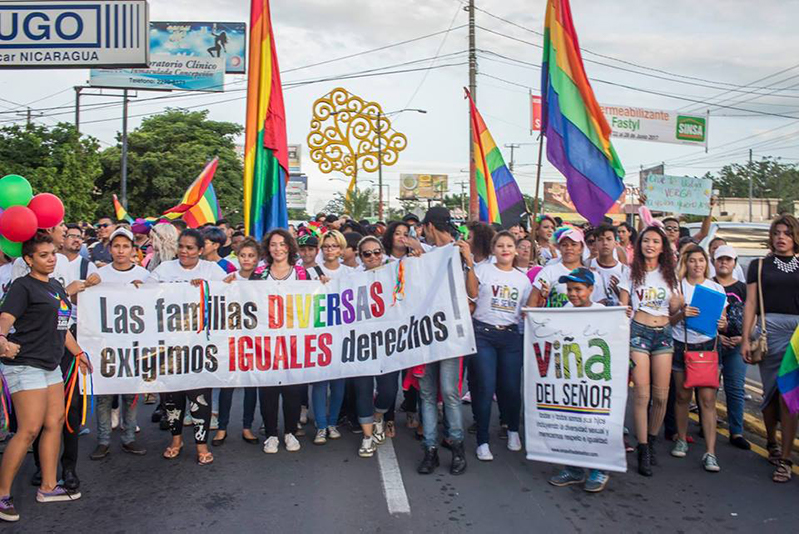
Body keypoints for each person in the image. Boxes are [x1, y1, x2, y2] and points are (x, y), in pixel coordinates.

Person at [0, 232, 92, 522]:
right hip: (25, 365)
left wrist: (78, 353)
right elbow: (5, 318)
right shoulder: (22, 286)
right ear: (28, 259)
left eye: (53, 253)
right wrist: (1, 337)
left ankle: (49, 487)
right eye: (43, 255)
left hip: (51, 365)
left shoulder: (55, 286)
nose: (51, 258)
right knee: (28, 429)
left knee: (54, 423)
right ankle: (2, 494)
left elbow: (62, 328)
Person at [148, 229, 228, 466]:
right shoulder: (163, 270)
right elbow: (143, 295)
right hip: (170, 347)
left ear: (201, 251)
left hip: (199, 347)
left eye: (190, 248)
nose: (184, 251)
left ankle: (201, 444)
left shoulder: (211, 270)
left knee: (199, 396)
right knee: (171, 397)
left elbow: (229, 294)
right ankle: (176, 440)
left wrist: (206, 287)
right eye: (181, 246)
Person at [463, 231, 531, 462]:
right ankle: (482, 440)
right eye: (500, 245)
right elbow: (471, 295)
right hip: (483, 334)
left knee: (511, 387)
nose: (505, 249)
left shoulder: (523, 279)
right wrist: (470, 264)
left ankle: (512, 429)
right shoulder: (482, 271)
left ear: (516, 250)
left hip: (510, 337)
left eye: (509, 245)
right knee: (484, 386)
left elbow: (526, 312)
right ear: (493, 249)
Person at [742, 215, 799, 482]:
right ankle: (771, 441)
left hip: (797, 335)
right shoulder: (759, 265)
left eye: (787, 233)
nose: (781, 237)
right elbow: (751, 303)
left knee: (790, 397)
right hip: (768, 333)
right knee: (769, 397)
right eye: (777, 232)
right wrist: (745, 338)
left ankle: (785, 460)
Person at [548, 268, 610, 492]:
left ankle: (599, 469)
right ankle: (573, 468)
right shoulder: (565, 309)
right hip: (570, 377)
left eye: (578, 289)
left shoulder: (602, 312)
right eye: (570, 290)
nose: (573, 294)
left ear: (591, 289)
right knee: (571, 421)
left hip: (594, 380)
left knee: (592, 423)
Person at [416, 207, 467, 475]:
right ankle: (430, 449)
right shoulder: (422, 252)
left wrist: (467, 259)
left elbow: (470, 291)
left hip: (449, 332)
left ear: (429, 226)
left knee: (449, 391)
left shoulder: (457, 251)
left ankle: (457, 448)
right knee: (427, 393)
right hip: (424, 332)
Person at [91, 228, 149, 460]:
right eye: (116, 246)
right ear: (110, 249)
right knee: (104, 395)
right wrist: (88, 286)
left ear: (133, 250)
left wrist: (145, 292)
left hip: (133, 345)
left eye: (125, 246)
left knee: (130, 394)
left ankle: (129, 438)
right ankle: (103, 440)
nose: (120, 251)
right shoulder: (99, 274)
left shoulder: (144, 276)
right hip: (106, 345)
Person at [669, 245, 727, 472]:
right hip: (681, 346)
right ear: (686, 263)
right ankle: (681, 438)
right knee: (682, 397)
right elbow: (669, 321)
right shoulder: (677, 288)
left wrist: (724, 324)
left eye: (701, 260)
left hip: (707, 349)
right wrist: (682, 313)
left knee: (707, 401)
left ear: (707, 263)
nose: (697, 265)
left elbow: (723, 322)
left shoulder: (715, 288)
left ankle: (710, 452)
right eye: (692, 260)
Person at [628, 225, 680, 476]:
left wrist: (681, 309)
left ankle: (652, 438)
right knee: (642, 394)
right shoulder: (630, 273)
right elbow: (622, 306)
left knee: (661, 395)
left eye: (655, 241)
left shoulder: (670, 276)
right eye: (646, 240)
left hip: (664, 335)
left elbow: (675, 315)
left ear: (663, 247)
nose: (650, 245)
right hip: (638, 332)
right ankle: (643, 447)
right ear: (639, 245)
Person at [251, 229, 309, 454]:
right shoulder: (260, 274)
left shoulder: (302, 274)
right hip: (266, 342)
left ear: (289, 247)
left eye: (282, 244)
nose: (278, 249)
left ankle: (291, 432)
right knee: (268, 391)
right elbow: (249, 300)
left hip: (294, 342)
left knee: (293, 390)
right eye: (273, 245)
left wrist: (324, 283)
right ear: (268, 248)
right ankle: (272, 434)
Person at [214, 238, 260, 446]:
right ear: (237, 256)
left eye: (251, 256)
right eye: (243, 255)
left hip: (254, 340)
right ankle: (222, 427)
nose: (247, 259)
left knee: (251, 385)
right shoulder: (228, 279)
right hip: (231, 339)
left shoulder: (263, 281)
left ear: (257, 258)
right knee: (227, 384)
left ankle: (247, 427)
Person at [311, 231, 350, 445]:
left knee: (338, 383)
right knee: (319, 382)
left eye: (334, 246)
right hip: (317, 334)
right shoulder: (310, 273)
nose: (330, 250)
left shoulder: (351, 273)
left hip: (342, 334)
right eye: (326, 246)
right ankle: (320, 425)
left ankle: (332, 422)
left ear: (341, 249)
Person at [712, 245, 751, 450]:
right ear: (714, 262)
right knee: (709, 388)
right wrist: (718, 336)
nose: (724, 262)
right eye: (720, 259)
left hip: (736, 345)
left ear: (734, 262)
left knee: (735, 388)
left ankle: (736, 431)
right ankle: (706, 425)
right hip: (712, 345)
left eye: (728, 259)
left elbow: (752, 316)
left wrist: (743, 338)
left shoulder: (743, 288)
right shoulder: (708, 285)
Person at [531, 228, 585, 308]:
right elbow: (532, 303)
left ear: (581, 248)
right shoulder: (548, 271)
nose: (569, 248)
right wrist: (543, 297)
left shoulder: (591, 274)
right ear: (559, 248)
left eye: (574, 244)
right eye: (564, 245)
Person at [588, 225, 630, 307]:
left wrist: (618, 291)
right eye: (600, 240)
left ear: (615, 243)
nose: (605, 243)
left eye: (609, 239)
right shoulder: (587, 265)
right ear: (595, 243)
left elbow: (629, 301)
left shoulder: (624, 270)